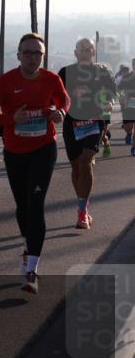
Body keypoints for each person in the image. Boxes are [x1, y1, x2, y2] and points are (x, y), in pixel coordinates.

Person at [0, 33, 69, 295]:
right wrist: (11, 119)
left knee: (36, 204)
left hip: (44, 148)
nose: (33, 57)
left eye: (37, 53)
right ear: (19, 55)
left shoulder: (51, 79)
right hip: (15, 152)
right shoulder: (6, 81)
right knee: (23, 206)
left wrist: (61, 112)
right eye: (28, 52)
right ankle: (28, 245)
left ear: (43, 57)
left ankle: (31, 268)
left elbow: (64, 99)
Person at [57, 38, 117, 229]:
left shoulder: (102, 71)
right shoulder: (65, 72)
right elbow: (56, 96)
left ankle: (82, 213)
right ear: (75, 53)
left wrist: (107, 103)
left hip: (93, 121)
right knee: (76, 168)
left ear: (93, 52)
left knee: (85, 161)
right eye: (81, 49)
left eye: (88, 48)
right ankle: (83, 203)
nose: (85, 52)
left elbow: (110, 94)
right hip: (72, 124)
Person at [120, 61, 135, 154]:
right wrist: (123, 97)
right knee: (128, 127)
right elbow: (120, 89)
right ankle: (129, 133)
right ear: (133, 66)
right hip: (128, 104)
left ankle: (133, 148)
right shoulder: (126, 77)